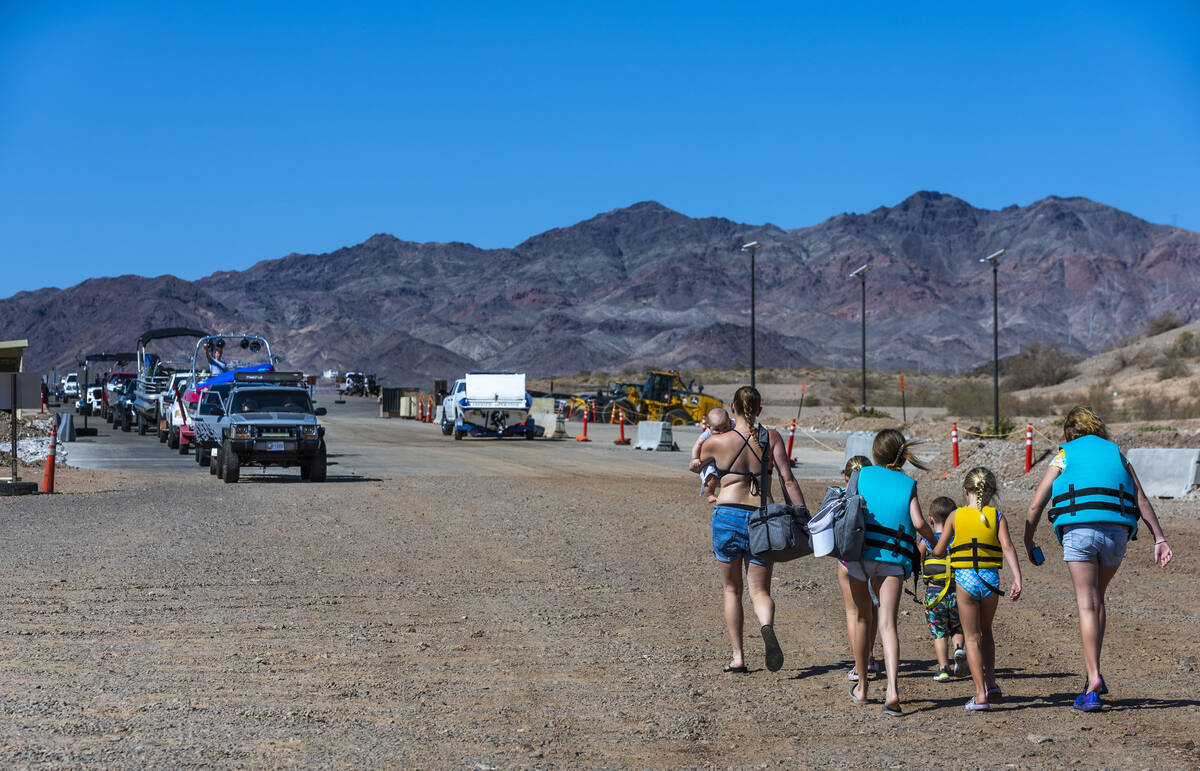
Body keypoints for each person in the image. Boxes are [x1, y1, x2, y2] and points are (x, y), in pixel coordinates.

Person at [1023, 405, 1173, 712]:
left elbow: (1037, 504)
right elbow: (1140, 499)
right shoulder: (1117, 453)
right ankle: (1096, 672)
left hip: (1080, 531)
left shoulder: (1064, 455)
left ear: (1071, 431)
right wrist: (1159, 537)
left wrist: (1028, 540)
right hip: (1116, 534)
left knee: (1086, 603)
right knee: (1098, 599)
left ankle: (1092, 680)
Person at [698, 386, 806, 674]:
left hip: (728, 515)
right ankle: (766, 626)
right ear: (759, 410)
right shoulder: (771, 438)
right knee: (759, 590)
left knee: (732, 590)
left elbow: (698, 465)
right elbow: (788, 480)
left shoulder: (717, 441)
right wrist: (803, 516)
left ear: (732, 407)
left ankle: (738, 657)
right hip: (763, 519)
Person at [844, 429, 936, 716]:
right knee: (888, 625)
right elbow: (919, 522)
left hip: (860, 557)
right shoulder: (909, 483)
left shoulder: (863, 475)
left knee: (862, 618)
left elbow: (846, 508)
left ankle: (862, 687)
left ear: (876, 453)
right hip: (894, 560)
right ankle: (893, 690)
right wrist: (935, 542)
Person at [932, 468, 1022, 710]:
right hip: (991, 580)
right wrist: (1017, 578)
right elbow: (1008, 547)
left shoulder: (954, 516)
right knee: (987, 632)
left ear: (965, 490)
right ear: (992, 492)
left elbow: (939, 551)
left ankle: (980, 694)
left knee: (971, 638)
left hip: (966, 581)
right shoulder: (997, 516)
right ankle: (991, 684)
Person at [834, 456, 880, 683]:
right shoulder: (876, 498)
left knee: (854, 612)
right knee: (873, 609)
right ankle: (870, 656)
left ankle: (858, 663)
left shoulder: (842, 497)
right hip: (876, 558)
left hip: (848, 561)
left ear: (845, 476)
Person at [918, 496, 967, 682]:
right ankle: (958, 650)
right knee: (958, 627)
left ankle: (943, 668)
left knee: (939, 632)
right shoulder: (957, 539)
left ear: (931, 519)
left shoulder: (927, 540)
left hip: (934, 594)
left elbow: (919, 557)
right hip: (957, 592)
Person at [689, 407, 733, 502]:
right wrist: (695, 458)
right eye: (717, 429)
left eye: (725, 427)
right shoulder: (707, 433)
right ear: (709, 427)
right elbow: (698, 444)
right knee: (711, 474)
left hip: (728, 456)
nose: (722, 432)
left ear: (729, 421)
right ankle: (710, 494)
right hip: (711, 459)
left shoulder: (734, 424)